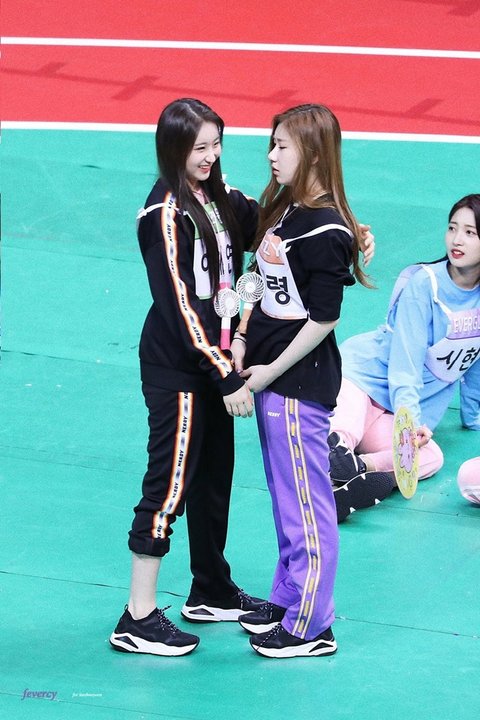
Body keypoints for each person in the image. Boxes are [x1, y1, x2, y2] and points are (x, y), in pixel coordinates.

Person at [109, 98, 266, 657]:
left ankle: (211, 589)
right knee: (169, 484)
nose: (210, 156)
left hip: (213, 364)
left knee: (213, 478)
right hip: (179, 369)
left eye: (216, 144)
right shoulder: (162, 214)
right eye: (200, 147)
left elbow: (270, 223)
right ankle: (138, 616)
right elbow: (179, 307)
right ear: (174, 149)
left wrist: (342, 231)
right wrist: (226, 374)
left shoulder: (220, 196)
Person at [231, 103, 373, 658]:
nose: (271, 155)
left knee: (307, 505)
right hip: (270, 375)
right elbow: (259, 279)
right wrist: (242, 333)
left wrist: (268, 370)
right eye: (272, 144)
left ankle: (313, 625)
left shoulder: (327, 230)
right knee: (286, 500)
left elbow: (324, 318)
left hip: (297, 384)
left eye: (282, 146)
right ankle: (290, 597)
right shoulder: (287, 208)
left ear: (312, 153)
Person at [327, 194, 480, 522]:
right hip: (361, 379)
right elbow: (405, 364)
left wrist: (473, 416)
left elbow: (475, 361)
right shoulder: (425, 284)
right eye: (452, 228)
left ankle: (356, 471)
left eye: (470, 232)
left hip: (393, 412)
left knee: (431, 457)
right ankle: (338, 461)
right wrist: (411, 422)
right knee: (344, 431)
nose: (457, 239)